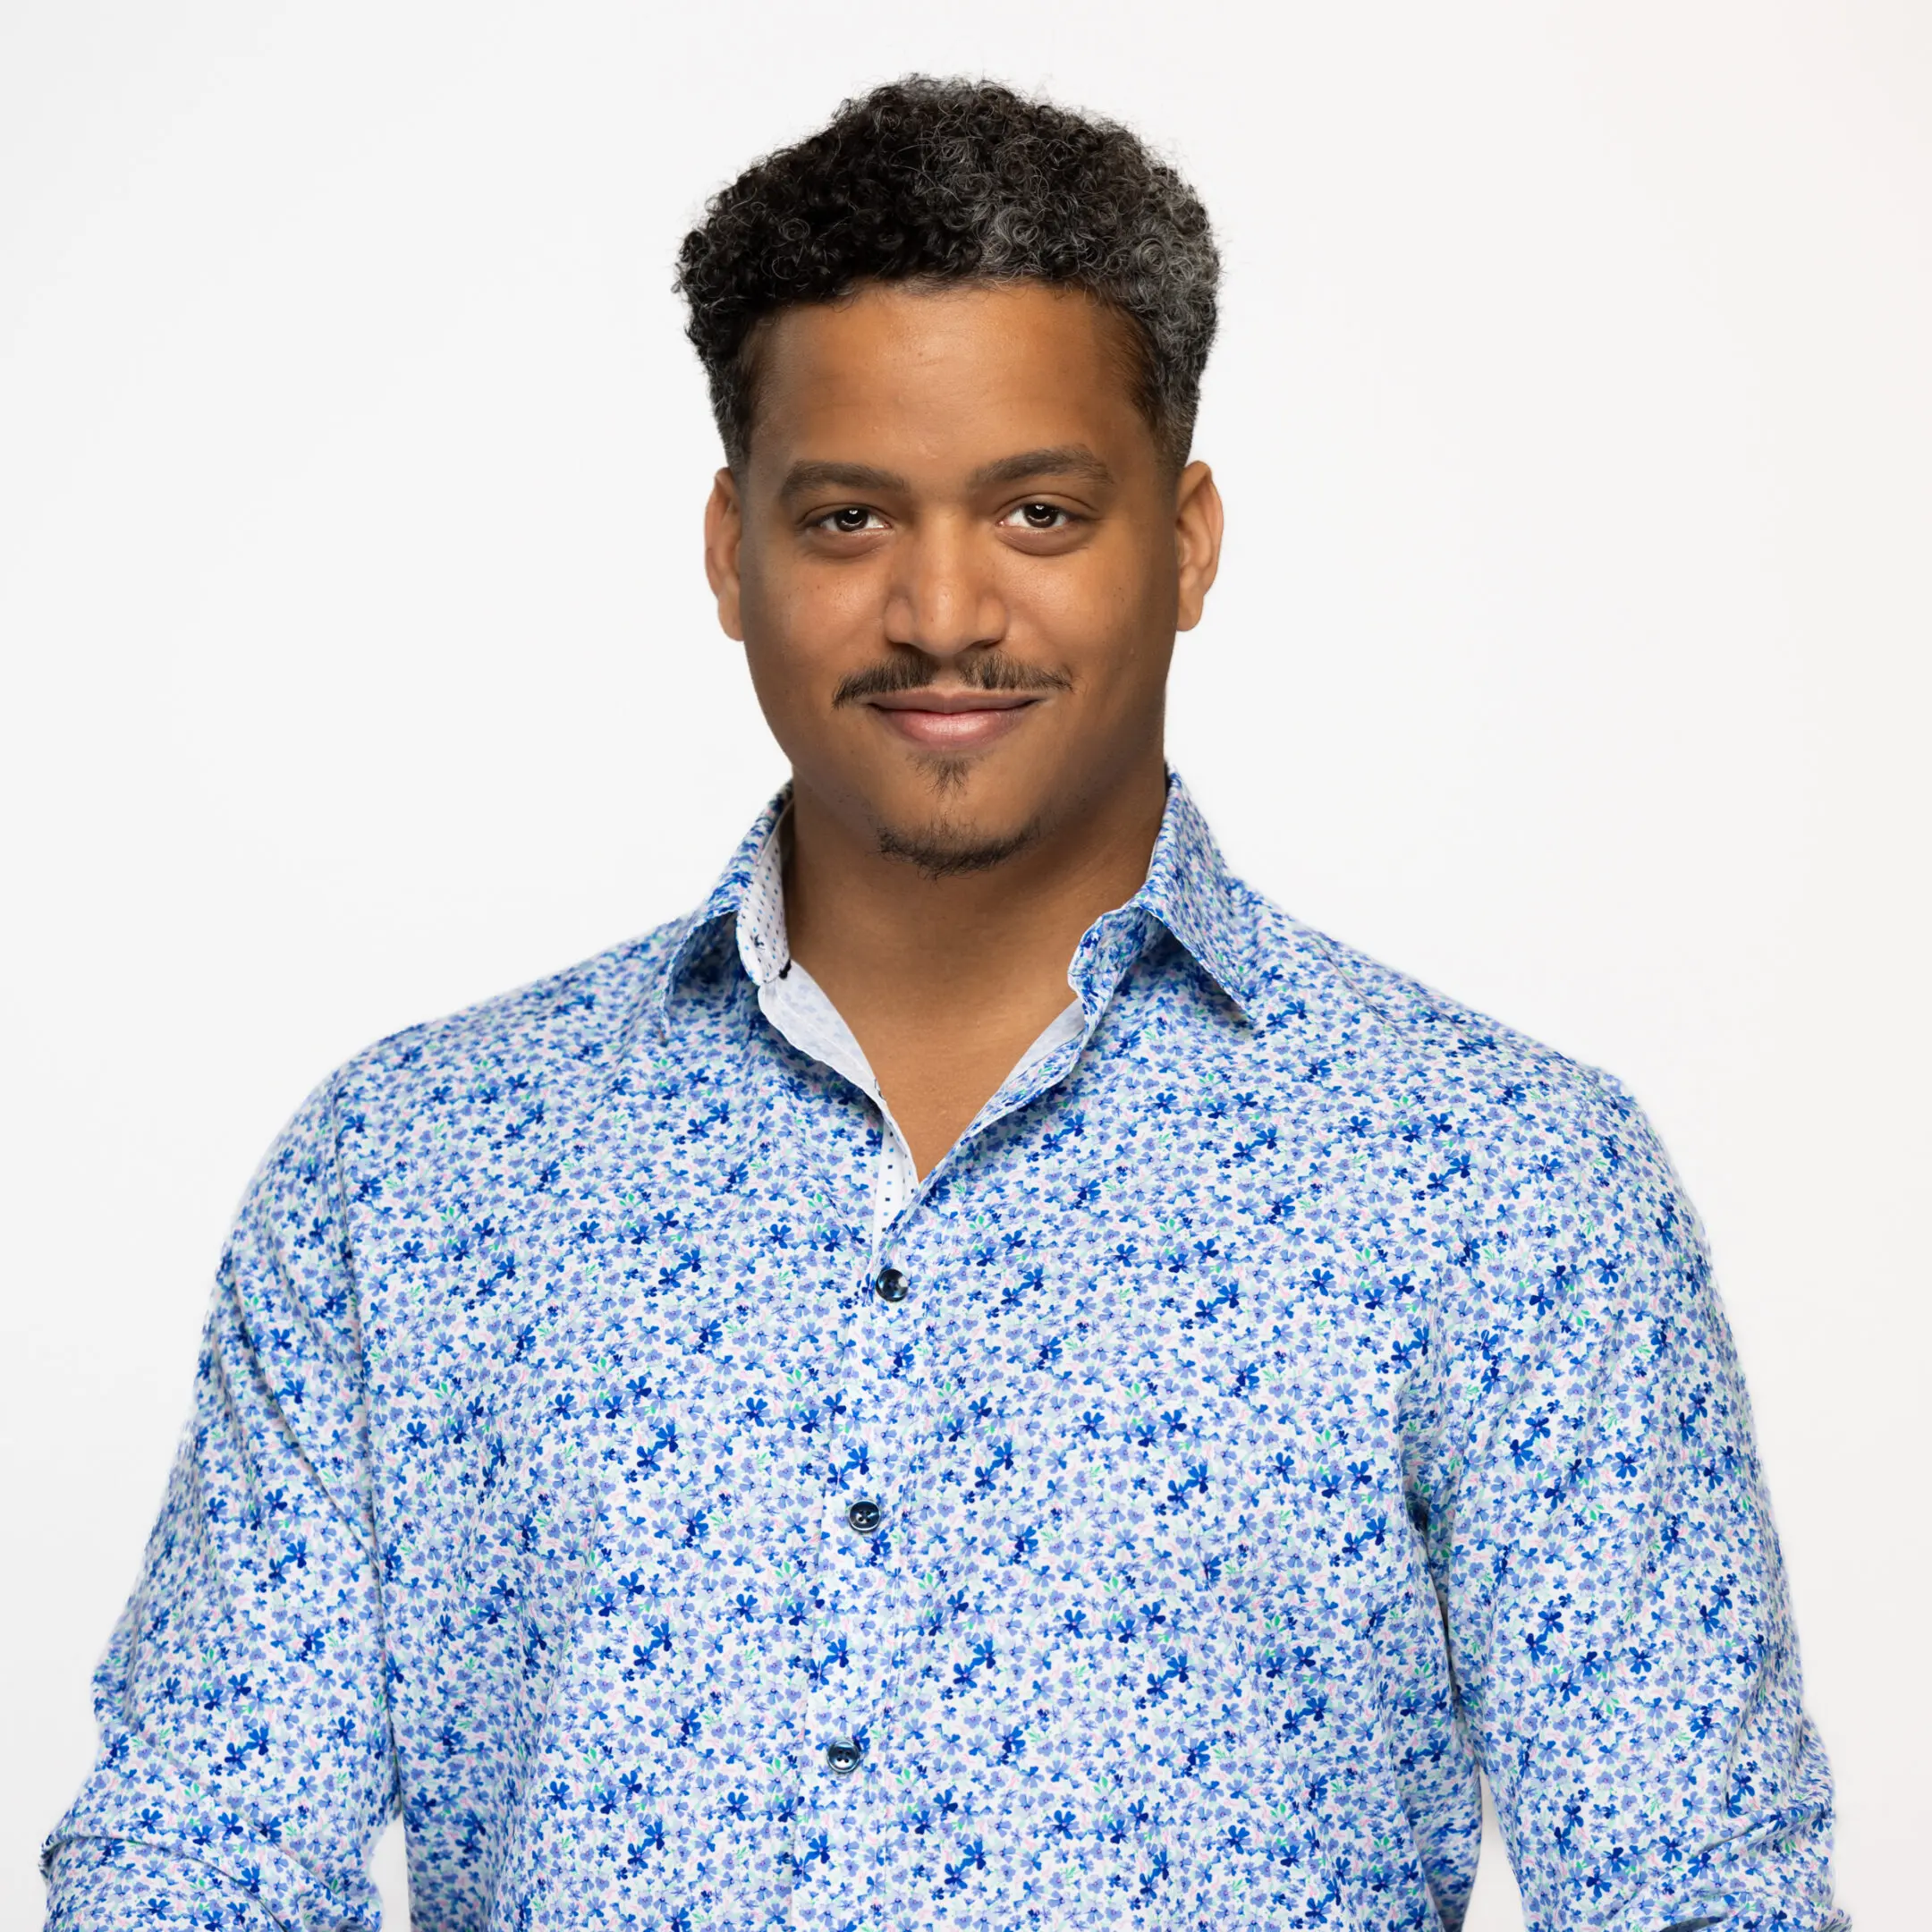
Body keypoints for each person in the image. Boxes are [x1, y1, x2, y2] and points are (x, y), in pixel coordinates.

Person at [44, 77, 1843, 1932]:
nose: (940, 609)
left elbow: (1699, 1896)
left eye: (1039, 511)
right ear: (730, 550)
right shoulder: (411, 1177)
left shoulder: (1506, 1189)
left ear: (1189, 541)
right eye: (847, 519)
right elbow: (191, 1869)